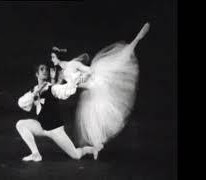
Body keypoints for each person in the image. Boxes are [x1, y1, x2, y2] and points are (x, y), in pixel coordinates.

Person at [49, 23, 150, 156]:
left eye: (52, 57)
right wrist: (55, 80)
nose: (51, 60)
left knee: (118, 62)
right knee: (89, 115)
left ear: (58, 56)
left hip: (96, 83)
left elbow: (89, 70)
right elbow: (58, 88)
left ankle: (136, 39)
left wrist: (82, 77)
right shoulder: (61, 72)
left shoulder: (73, 64)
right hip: (89, 90)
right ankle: (97, 146)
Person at [15, 63, 98, 162]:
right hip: (42, 127)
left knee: (76, 156)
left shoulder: (53, 88)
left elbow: (66, 90)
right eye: (42, 69)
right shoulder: (34, 90)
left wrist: (75, 81)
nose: (45, 71)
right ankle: (36, 154)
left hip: (55, 129)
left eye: (46, 69)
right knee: (20, 124)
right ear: (36, 74)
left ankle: (91, 149)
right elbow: (21, 103)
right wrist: (35, 93)